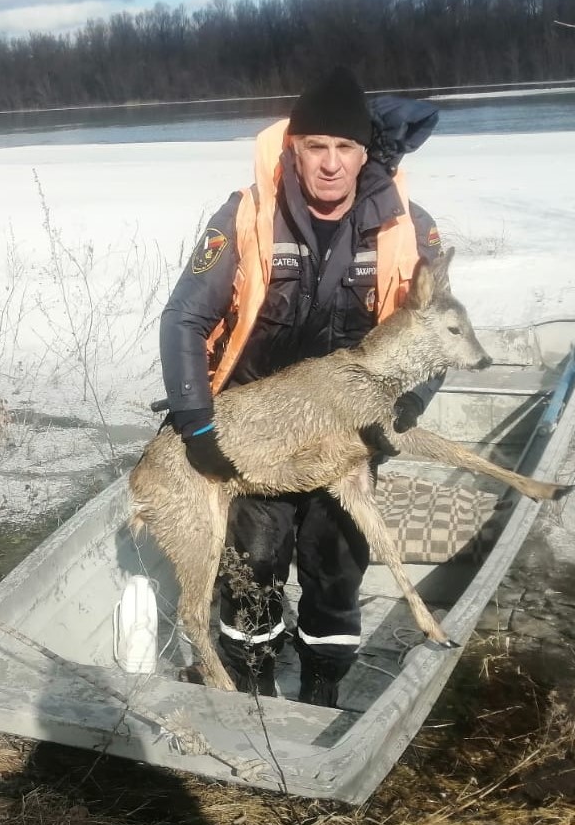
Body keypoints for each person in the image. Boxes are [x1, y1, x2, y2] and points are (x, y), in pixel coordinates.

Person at [157, 66, 443, 708]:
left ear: (366, 153)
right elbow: (184, 317)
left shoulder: (407, 226)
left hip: (348, 432)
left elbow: (438, 334)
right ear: (294, 148)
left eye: (346, 148)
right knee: (253, 562)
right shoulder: (246, 214)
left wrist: (405, 410)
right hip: (258, 430)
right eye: (317, 147)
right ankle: (253, 690)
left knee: (338, 567)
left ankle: (321, 692)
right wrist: (196, 422)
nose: (332, 164)